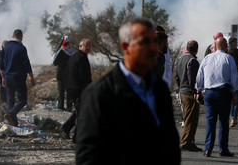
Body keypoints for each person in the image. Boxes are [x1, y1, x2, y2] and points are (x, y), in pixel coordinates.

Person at [75, 17, 179, 164]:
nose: (152, 49)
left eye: (154, 42)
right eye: (144, 42)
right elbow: (88, 155)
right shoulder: (100, 93)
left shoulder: (159, 89)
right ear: (126, 47)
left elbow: (170, 143)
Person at [196, 36, 238, 157]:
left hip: (209, 93)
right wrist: (235, 93)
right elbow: (234, 77)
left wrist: (198, 91)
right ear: (226, 46)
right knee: (223, 122)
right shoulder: (228, 58)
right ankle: (223, 149)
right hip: (223, 93)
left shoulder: (207, 58)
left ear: (215, 46)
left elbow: (200, 76)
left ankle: (208, 149)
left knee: (210, 121)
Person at [0, 29, 36, 126]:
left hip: (7, 77)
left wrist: (3, 78)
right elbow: (26, 63)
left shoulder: (5, 48)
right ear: (21, 36)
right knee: (23, 99)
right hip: (18, 77)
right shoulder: (21, 48)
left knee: (10, 100)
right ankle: (11, 113)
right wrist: (32, 77)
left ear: (13, 36)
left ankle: (13, 124)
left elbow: (1, 65)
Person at [61, 38, 92, 140]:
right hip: (78, 90)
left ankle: (66, 128)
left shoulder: (75, 56)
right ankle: (77, 137)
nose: (88, 48)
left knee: (79, 111)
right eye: (86, 46)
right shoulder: (81, 58)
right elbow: (85, 77)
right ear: (80, 46)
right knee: (81, 113)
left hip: (72, 89)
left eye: (89, 46)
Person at [174, 40, 201, 152]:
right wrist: (195, 91)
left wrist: (181, 87)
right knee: (191, 119)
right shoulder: (192, 60)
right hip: (190, 93)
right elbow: (192, 78)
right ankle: (185, 143)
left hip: (182, 91)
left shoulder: (179, 59)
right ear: (196, 50)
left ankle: (191, 142)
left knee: (187, 117)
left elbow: (176, 76)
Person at [52, 36, 75, 111]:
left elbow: (55, 63)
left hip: (60, 74)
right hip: (69, 73)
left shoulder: (60, 51)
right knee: (69, 91)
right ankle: (69, 107)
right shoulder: (73, 51)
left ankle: (60, 106)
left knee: (61, 91)